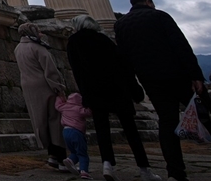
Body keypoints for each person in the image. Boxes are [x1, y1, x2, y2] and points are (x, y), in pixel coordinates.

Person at [115, 0, 211, 181]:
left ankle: (175, 174)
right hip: (179, 77)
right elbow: (181, 46)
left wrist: (134, 84)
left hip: (151, 82)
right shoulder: (160, 16)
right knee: (210, 121)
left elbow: (124, 58)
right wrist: (196, 75)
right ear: (148, 2)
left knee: (167, 125)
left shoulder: (120, 25)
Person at [67, 14, 161, 181]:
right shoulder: (104, 40)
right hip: (117, 91)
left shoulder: (73, 42)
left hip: (95, 93)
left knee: (102, 131)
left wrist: (85, 95)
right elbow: (124, 66)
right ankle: (144, 169)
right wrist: (135, 90)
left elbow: (77, 72)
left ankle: (107, 165)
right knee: (131, 131)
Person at [15, 23, 68, 171]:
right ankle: (61, 158)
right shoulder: (38, 48)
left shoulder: (18, 48)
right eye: (38, 31)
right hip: (45, 87)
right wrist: (59, 89)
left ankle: (51, 155)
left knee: (40, 121)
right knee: (55, 121)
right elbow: (50, 71)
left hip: (28, 87)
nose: (41, 34)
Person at [56, 92, 92, 179]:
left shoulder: (64, 107)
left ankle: (70, 160)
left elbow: (57, 105)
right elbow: (89, 112)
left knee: (74, 151)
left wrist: (60, 96)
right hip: (77, 132)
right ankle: (84, 171)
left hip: (65, 132)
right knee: (82, 153)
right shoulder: (79, 109)